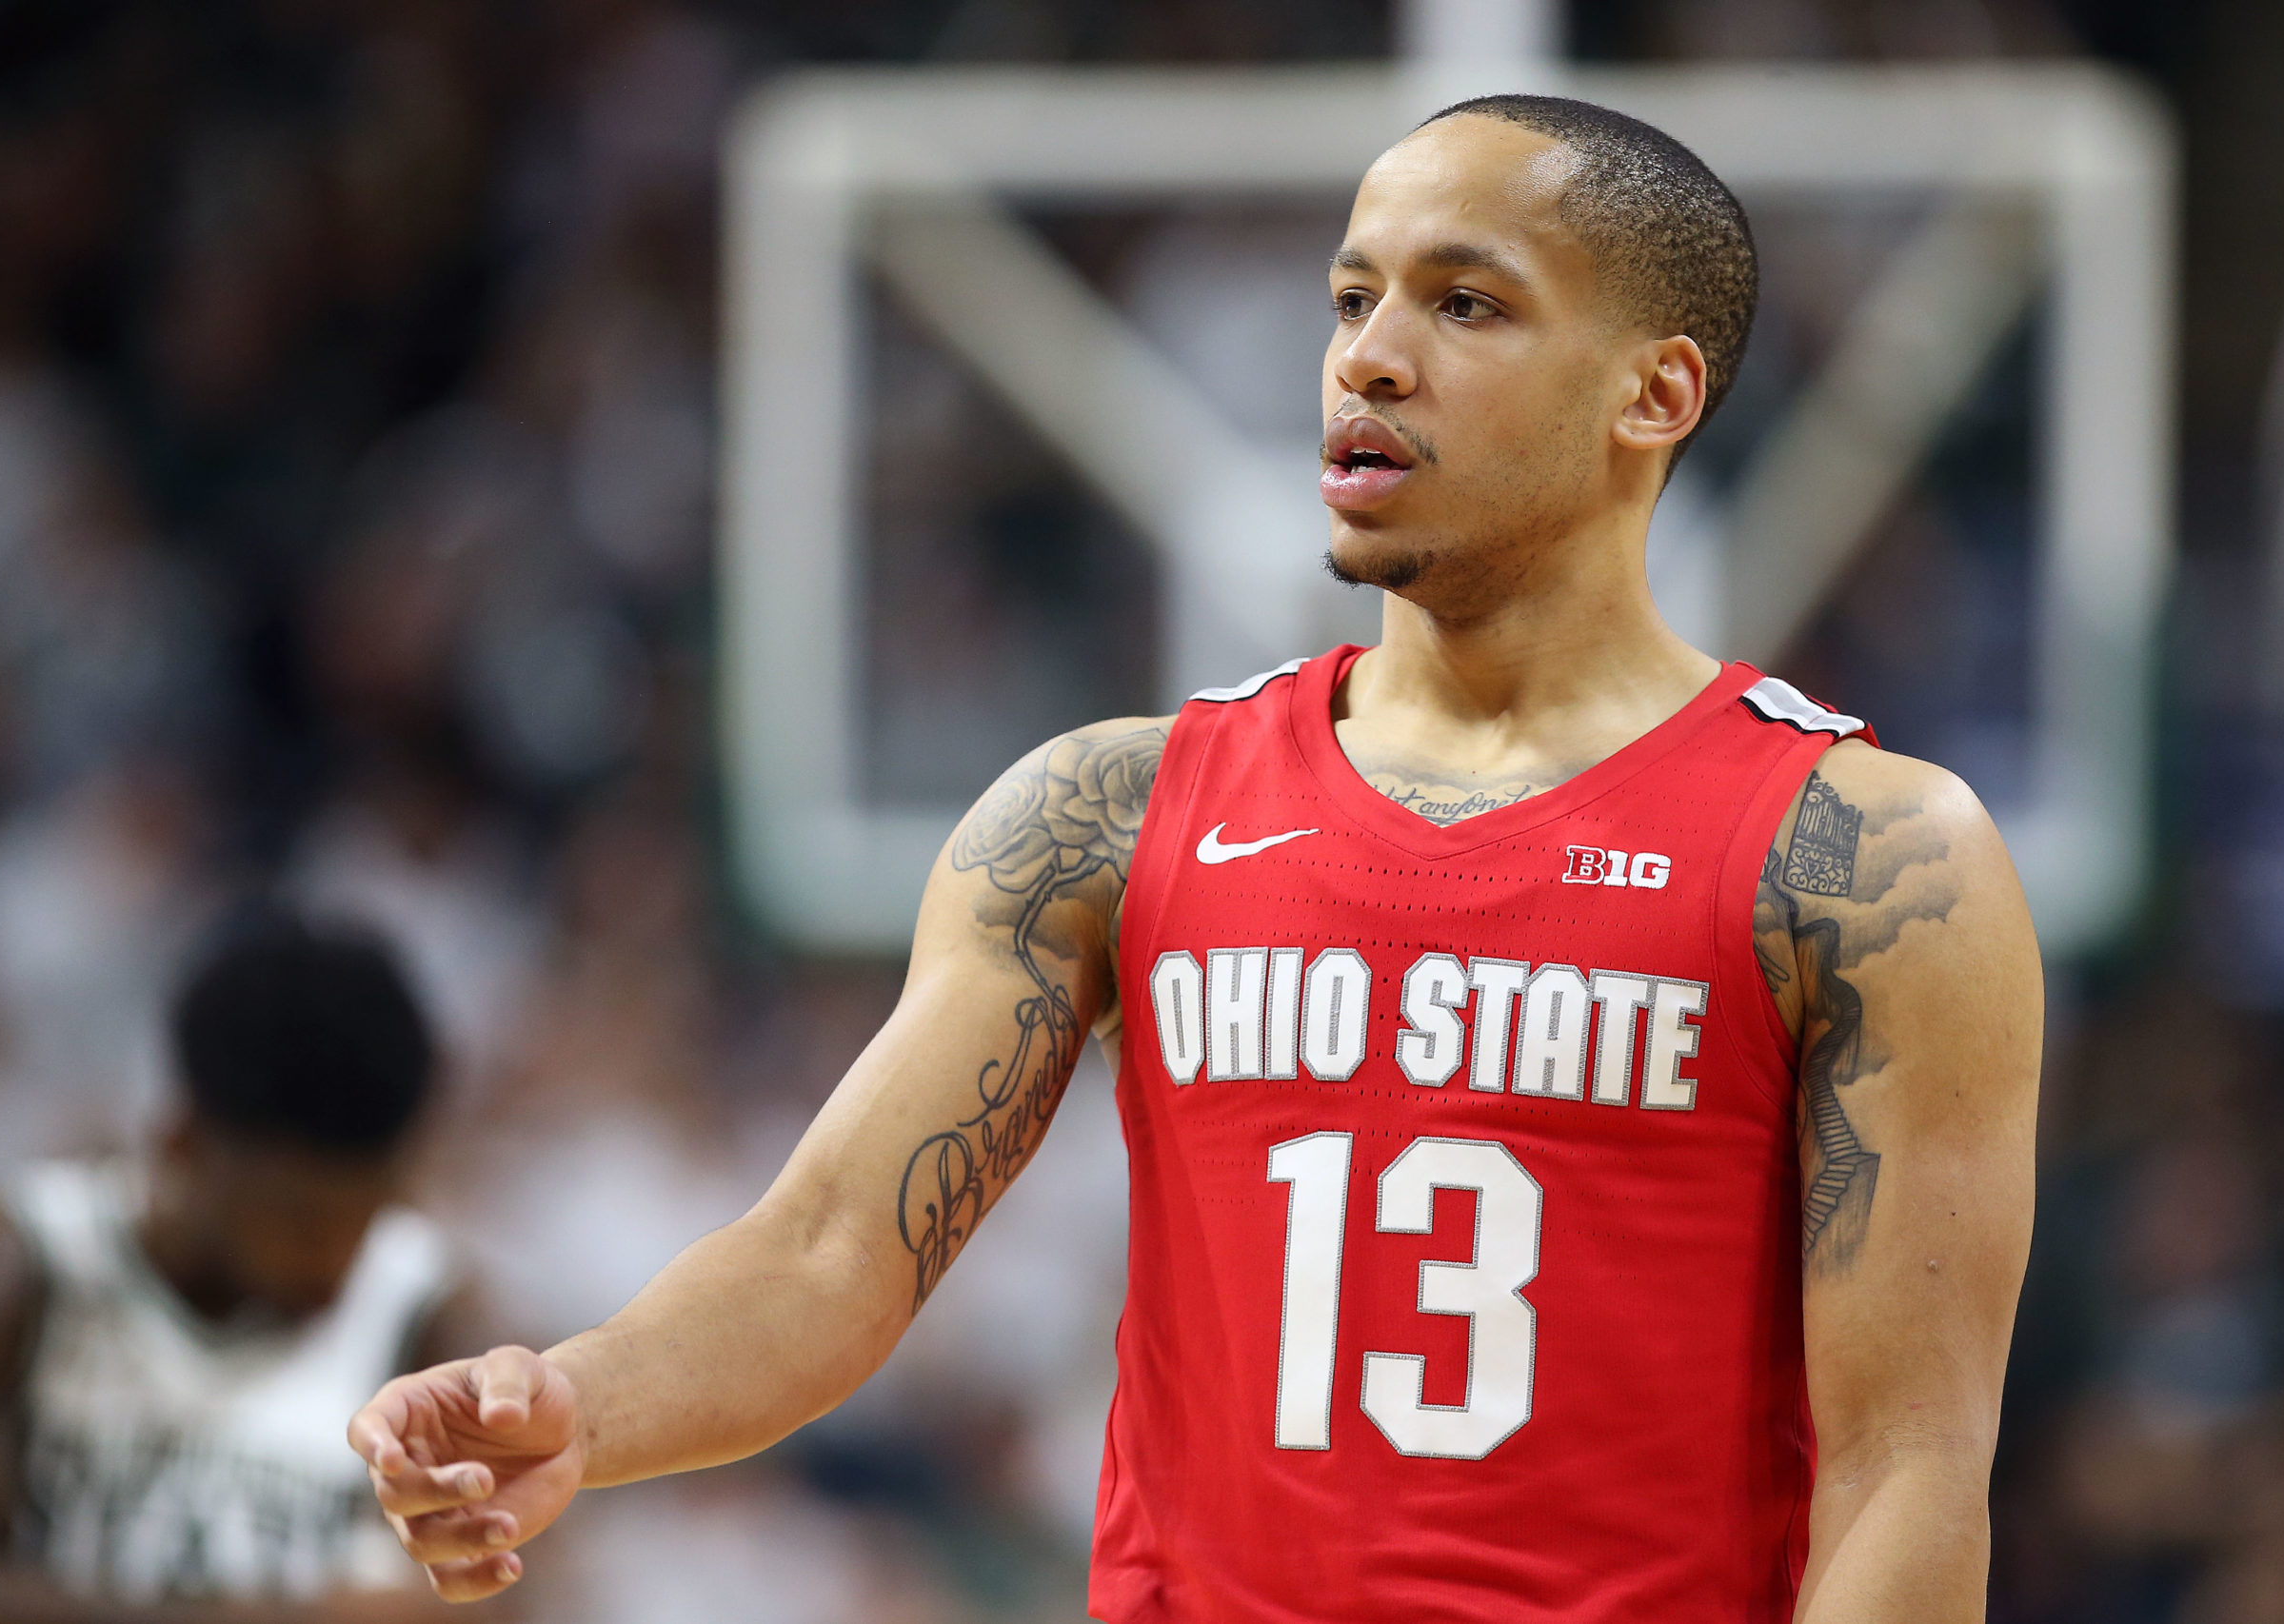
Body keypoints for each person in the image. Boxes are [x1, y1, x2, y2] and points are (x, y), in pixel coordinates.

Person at [352, 93, 2042, 1621]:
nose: (1371, 359)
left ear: (1653, 392)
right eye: (1352, 299)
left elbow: (1909, 1471)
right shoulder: (1108, 810)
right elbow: (826, 1252)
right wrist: (579, 1402)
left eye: (1465, 304)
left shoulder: (1867, 864)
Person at [0, 907, 473, 1619]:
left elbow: (489, 1598)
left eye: (369, 1217)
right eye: (299, 1224)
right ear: (182, 1143)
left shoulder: (429, 1314)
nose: (338, 1261)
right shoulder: (30, 1267)